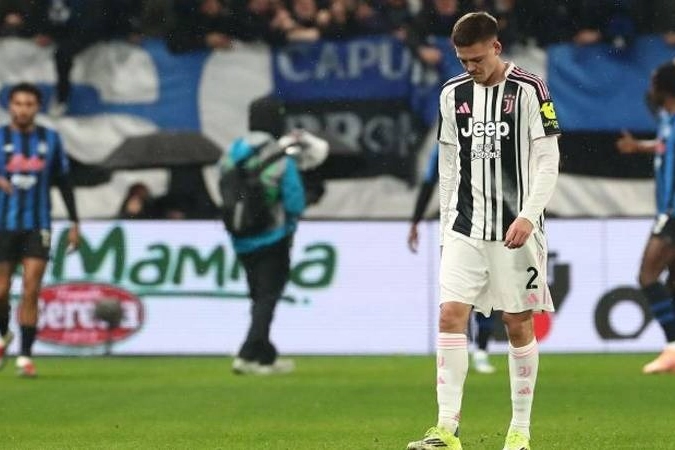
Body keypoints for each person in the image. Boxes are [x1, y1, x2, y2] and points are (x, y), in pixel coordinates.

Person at [406, 12, 560, 450]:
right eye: (463, 60)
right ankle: (446, 429)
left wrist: (528, 215)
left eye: (476, 59)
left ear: (496, 47)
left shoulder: (529, 89)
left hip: (516, 229)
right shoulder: (452, 94)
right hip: (465, 226)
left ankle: (519, 431)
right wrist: (445, 230)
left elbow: (548, 159)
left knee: (517, 322)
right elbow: (448, 165)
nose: (470, 67)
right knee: (450, 314)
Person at [0, 82, 80, 377]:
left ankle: (25, 356)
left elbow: (65, 182)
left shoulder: (51, 139)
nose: (23, 109)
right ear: (10, 106)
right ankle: (3, 334)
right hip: (3, 225)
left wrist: (74, 222)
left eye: (29, 104)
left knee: (31, 288)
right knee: (2, 289)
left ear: (37, 107)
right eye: (18, 103)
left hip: (38, 224)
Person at [221, 131, 305, 375]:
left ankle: (265, 356)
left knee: (258, 297)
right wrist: (290, 224)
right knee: (267, 297)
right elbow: (294, 202)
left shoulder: (230, 155)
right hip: (272, 237)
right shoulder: (281, 160)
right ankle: (246, 355)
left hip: (241, 238)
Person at [408, 144, 496, 374]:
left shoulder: (489, 141)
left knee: (486, 292)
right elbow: (428, 183)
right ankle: (460, 351)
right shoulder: (445, 146)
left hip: (488, 228)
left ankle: (481, 351)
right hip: (456, 231)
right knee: (459, 292)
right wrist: (415, 221)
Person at [616, 61, 675, 374]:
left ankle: (672, 347)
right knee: (671, 282)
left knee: (647, 275)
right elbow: (664, 146)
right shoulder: (667, 119)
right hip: (666, 210)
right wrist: (639, 147)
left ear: (665, 88)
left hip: (672, 213)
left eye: (654, 84)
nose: (649, 90)